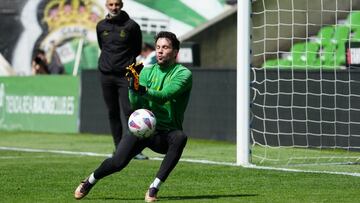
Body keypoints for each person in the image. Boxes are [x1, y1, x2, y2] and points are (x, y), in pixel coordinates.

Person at [74, 31, 193, 202]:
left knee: (180, 137)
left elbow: (165, 95)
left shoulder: (183, 74)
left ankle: (154, 188)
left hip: (165, 135)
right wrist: (133, 87)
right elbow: (136, 105)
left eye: (165, 47)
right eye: (158, 47)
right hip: (143, 128)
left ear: (175, 52)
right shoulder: (145, 71)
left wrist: (142, 89)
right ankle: (90, 180)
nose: (160, 51)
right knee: (117, 163)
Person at [96, 0, 147, 160]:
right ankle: (119, 149)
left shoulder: (131, 26)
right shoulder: (101, 26)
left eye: (116, 4)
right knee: (112, 112)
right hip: (106, 75)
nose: (114, 7)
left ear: (121, 5)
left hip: (126, 75)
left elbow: (137, 49)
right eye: (111, 5)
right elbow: (101, 46)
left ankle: (134, 149)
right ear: (106, 6)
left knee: (130, 112)